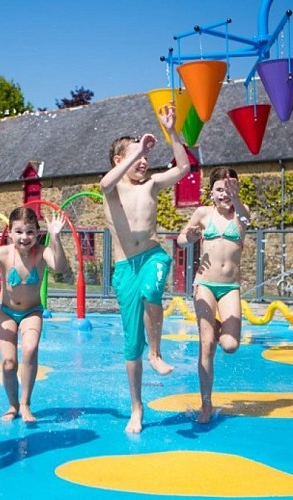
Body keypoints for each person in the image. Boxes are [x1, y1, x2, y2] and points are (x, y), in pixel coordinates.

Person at [100, 103, 191, 433]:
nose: (143, 161)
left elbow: (182, 168)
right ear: (119, 160)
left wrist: (171, 130)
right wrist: (135, 149)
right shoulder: (112, 190)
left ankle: (156, 353)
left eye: (144, 156)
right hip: (125, 268)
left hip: (152, 255)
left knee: (154, 289)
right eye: (135, 156)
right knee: (130, 344)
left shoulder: (151, 186)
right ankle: (136, 407)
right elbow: (105, 183)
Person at [0, 207, 67, 423]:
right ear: (9, 233)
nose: (24, 237)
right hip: (6, 313)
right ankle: (12, 405)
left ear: (38, 233)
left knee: (30, 349)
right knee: (9, 362)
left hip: (32, 311)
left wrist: (55, 237)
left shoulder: (43, 252)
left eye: (29, 232)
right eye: (18, 231)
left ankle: (25, 404)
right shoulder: (2, 254)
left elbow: (60, 267)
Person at [176, 167, 251, 424]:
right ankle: (205, 404)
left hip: (230, 287)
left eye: (229, 188)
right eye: (220, 189)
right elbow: (180, 240)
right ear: (211, 193)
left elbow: (245, 222)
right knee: (206, 344)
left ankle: (215, 327)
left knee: (229, 346)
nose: (225, 194)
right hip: (205, 284)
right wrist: (190, 235)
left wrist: (236, 197)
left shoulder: (242, 212)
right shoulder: (203, 213)